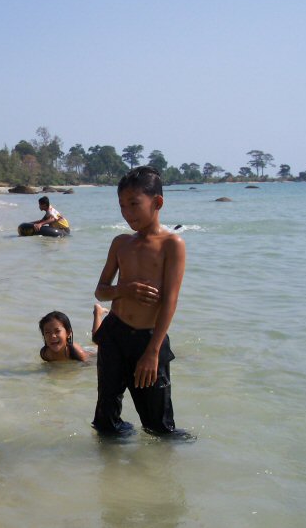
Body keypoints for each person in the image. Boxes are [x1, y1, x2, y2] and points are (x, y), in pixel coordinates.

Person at [92, 166, 186, 435]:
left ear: (157, 202)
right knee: (106, 421)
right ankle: (111, 458)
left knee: (159, 426)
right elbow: (101, 291)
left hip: (148, 339)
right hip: (114, 333)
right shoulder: (121, 243)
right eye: (122, 205)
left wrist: (153, 351)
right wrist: (125, 289)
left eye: (134, 204)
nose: (127, 212)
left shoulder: (172, 244)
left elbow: (170, 301)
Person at [38, 304, 108, 363]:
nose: (52, 336)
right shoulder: (45, 354)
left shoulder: (76, 352)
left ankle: (97, 313)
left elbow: (90, 364)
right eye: (47, 332)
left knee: (97, 339)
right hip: (82, 350)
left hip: (93, 353)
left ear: (68, 333)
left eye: (57, 331)